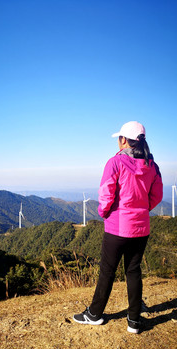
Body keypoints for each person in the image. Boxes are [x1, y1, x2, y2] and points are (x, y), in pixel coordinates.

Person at [73, 121, 163, 333]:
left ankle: (94, 314)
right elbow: (157, 196)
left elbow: (106, 193)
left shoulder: (115, 162)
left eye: (119, 138)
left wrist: (105, 213)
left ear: (124, 140)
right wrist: (141, 209)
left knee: (107, 271)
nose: (117, 142)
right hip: (141, 228)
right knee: (133, 270)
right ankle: (134, 321)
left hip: (117, 227)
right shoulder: (153, 165)